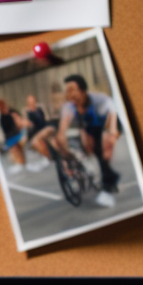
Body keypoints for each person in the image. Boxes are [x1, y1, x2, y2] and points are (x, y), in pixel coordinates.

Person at [54, 74, 121, 208]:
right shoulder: (69, 107)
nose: (69, 93)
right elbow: (62, 129)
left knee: (104, 149)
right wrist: (64, 150)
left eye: (72, 89)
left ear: (83, 90)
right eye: (67, 90)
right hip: (88, 129)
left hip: (104, 125)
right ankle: (106, 177)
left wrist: (112, 133)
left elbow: (112, 115)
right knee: (88, 149)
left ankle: (107, 184)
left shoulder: (99, 99)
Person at [0, 98, 28, 174]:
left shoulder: (12, 112)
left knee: (18, 148)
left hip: (18, 134)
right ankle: (20, 163)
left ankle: (22, 163)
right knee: (14, 149)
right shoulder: (1, 117)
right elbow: (5, 130)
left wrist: (22, 131)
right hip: (10, 137)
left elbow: (19, 122)